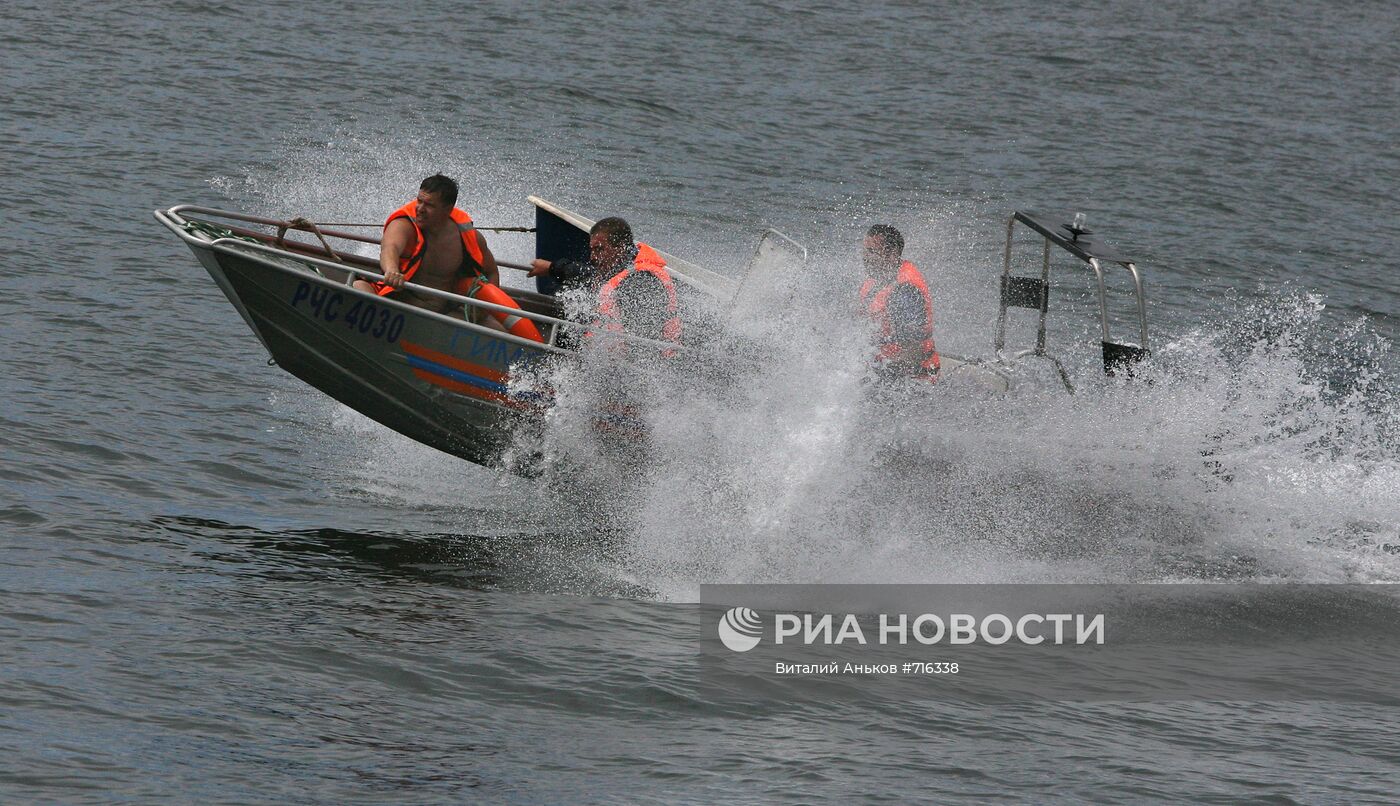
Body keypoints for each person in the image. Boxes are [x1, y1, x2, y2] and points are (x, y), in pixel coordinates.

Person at [355, 174, 501, 324]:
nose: (420, 209)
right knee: (358, 285)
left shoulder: (469, 236)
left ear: (448, 209)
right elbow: (389, 248)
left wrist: (483, 308)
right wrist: (391, 270)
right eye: (419, 201)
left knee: (498, 329)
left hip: (445, 313)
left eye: (429, 205)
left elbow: (492, 272)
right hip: (399, 306)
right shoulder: (404, 225)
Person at [528, 217, 682, 349]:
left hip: (625, 368)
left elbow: (644, 339)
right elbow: (586, 274)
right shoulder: (617, 270)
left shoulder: (641, 281)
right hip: (603, 355)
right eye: (592, 250)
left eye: (599, 249)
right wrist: (552, 268)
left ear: (621, 248)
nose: (593, 257)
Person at [859, 224, 939, 377]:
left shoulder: (905, 292)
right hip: (883, 367)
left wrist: (870, 377)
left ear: (891, 254)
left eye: (871, 251)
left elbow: (912, 355)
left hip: (913, 381)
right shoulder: (877, 279)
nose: (865, 256)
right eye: (864, 250)